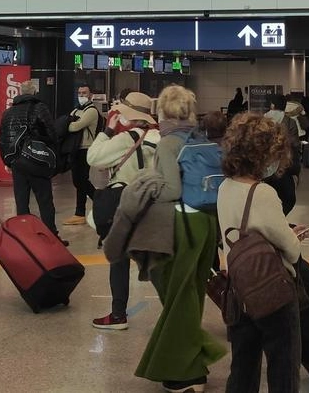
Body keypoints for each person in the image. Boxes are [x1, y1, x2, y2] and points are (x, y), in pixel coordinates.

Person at [137, 85, 225, 393]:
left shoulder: (168, 144)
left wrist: (146, 185)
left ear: (161, 111)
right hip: (207, 223)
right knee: (192, 293)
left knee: (176, 296)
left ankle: (186, 371)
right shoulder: (201, 139)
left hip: (182, 224)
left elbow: (171, 191)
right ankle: (193, 362)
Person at [217, 112, 303, 393]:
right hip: (272, 293)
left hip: (239, 290)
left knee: (243, 367)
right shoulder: (263, 193)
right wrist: (294, 236)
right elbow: (290, 249)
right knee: (283, 368)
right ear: (262, 155)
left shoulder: (224, 187)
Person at [87, 91, 160, 330]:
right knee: (155, 260)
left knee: (118, 259)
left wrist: (108, 130)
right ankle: (173, 311)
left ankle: (118, 315)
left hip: (125, 204)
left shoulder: (125, 139)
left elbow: (93, 157)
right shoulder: (161, 137)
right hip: (153, 206)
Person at [0, 79, 63, 241]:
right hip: (36, 161)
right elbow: (52, 134)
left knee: (21, 201)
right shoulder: (39, 108)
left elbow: (2, 139)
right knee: (45, 200)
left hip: (16, 163)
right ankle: (51, 236)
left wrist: (8, 161)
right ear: (34, 92)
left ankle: (25, 237)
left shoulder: (8, 113)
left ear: (20, 93)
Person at [63, 83, 100, 227]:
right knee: (79, 181)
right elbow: (69, 120)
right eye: (79, 93)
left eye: (84, 93)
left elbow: (74, 126)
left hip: (86, 149)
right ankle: (82, 211)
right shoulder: (77, 110)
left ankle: (81, 212)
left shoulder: (91, 111)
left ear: (90, 95)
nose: (82, 96)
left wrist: (67, 124)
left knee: (82, 180)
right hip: (76, 149)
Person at [263, 95, 298, 215]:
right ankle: (278, 219)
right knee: (288, 198)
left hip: (263, 167)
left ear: (272, 105)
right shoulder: (290, 122)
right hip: (283, 168)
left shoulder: (261, 121)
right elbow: (295, 146)